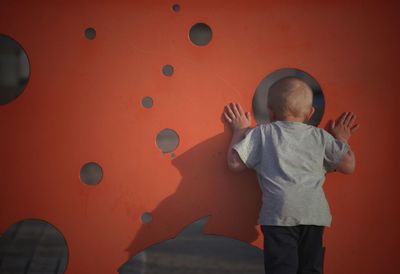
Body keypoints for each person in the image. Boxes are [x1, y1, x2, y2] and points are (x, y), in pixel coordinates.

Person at [223, 77, 360, 274]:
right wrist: (342, 138)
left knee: (281, 268)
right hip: (313, 213)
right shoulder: (320, 136)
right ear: (310, 112)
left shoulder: (263, 133)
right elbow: (349, 166)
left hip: (279, 214)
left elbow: (234, 163)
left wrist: (240, 130)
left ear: (270, 112)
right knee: (311, 268)